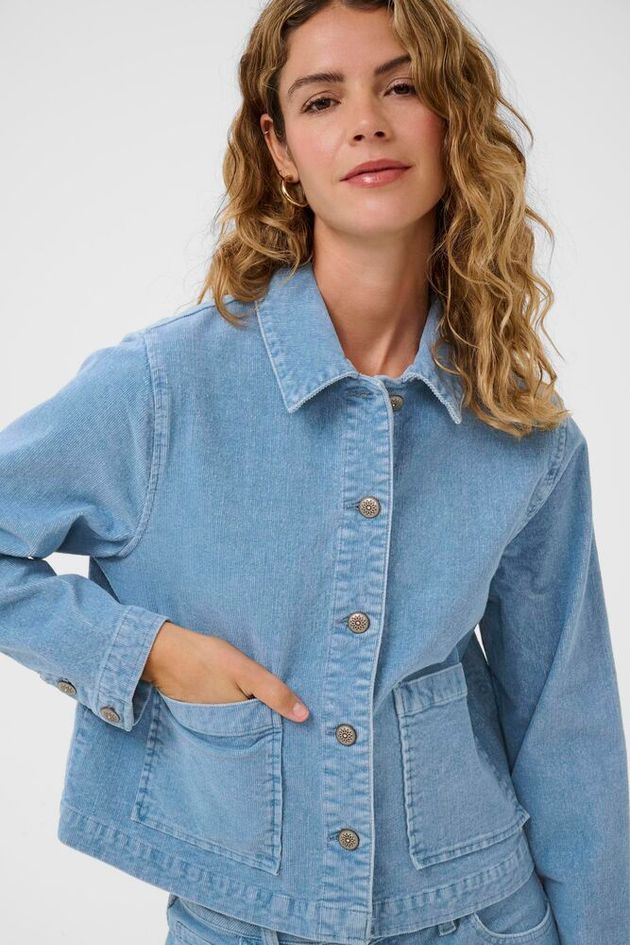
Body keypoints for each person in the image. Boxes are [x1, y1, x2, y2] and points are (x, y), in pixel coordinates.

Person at [1, 1, 628, 944]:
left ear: (452, 118)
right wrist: (145, 651)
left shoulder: (524, 432)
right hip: (238, 919)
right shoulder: (163, 390)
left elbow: (565, 726)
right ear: (280, 148)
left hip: (483, 915)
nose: (367, 121)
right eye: (323, 100)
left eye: (401, 86)